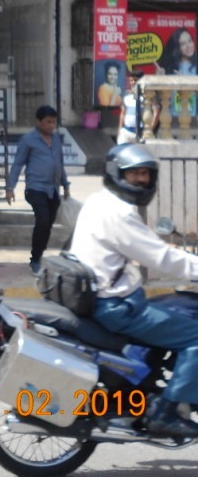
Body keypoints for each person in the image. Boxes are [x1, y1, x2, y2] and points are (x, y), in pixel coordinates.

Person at [69, 143, 198, 438]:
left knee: (172, 307)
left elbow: (139, 248)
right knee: (194, 336)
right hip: (118, 306)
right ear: (117, 174)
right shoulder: (120, 214)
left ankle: (146, 386)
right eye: (133, 174)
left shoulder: (99, 201)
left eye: (144, 174)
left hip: (106, 297)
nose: (140, 180)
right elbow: (163, 260)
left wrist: (163, 250)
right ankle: (165, 414)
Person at [5, 105, 70, 274]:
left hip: (53, 189)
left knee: (48, 224)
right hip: (35, 188)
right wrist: (10, 187)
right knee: (42, 220)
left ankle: (39, 255)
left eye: (53, 122)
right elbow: (18, 163)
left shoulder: (56, 139)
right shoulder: (28, 140)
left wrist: (65, 184)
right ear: (39, 122)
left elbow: (59, 163)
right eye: (48, 122)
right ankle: (34, 259)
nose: (51, 126)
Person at [157, 27, 197, 119]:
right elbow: (162, 99)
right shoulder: (169, 67)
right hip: (172, 118)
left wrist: (186, 83)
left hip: (194, 119)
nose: (188, 46)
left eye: (189, 41)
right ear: (177, 47)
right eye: (183, 44)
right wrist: (161, 80)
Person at [118, 69, 156, 144]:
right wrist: (120, 129)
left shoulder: (148, 95)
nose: (133, 82)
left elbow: (156, 113)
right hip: (126, 131)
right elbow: (123, 113)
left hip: (141, 132)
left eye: (136, 80)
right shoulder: (126, 95)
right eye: (131, 80)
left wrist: (150, 129)